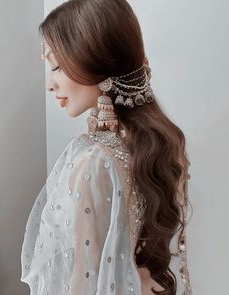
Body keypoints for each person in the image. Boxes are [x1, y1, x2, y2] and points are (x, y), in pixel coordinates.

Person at [20, 0, 193, 294]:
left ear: (96, 60)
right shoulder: (159, 145)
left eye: (58, 65)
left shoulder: (91, 162)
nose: (50, 83)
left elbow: (81, 282)